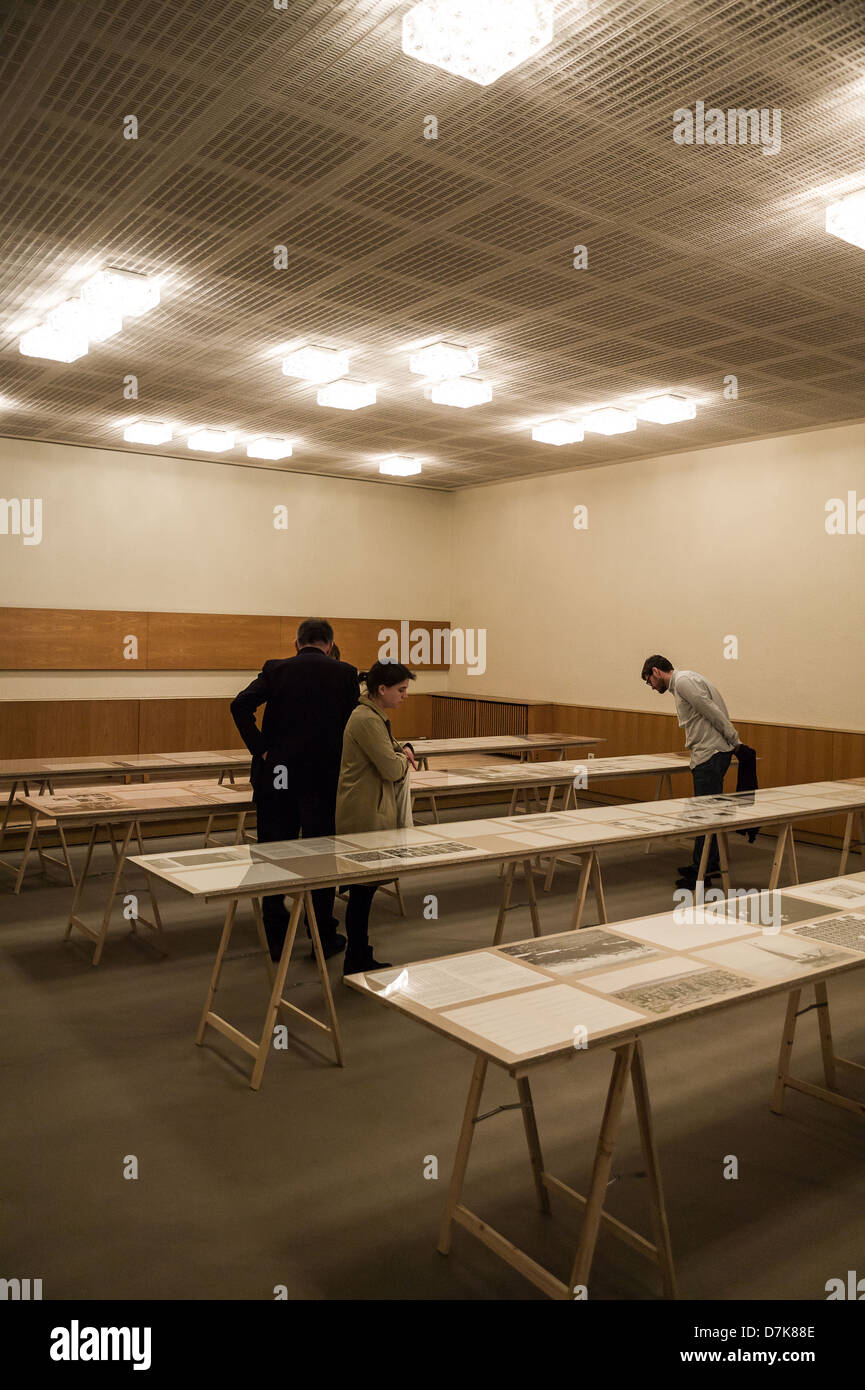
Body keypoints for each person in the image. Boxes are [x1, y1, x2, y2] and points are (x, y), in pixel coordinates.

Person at [231, 618, 359, 961]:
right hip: (323, 779)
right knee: (321, 857)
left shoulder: (276, 669)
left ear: (297, 642)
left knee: (274, 853)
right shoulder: (346, 673)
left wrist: (261, 748)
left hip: (278, 776)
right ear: (329, 645)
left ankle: (276, 936)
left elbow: (239, 705)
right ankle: (322, 935)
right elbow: (353, 725)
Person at [336, 661, 416, 975]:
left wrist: (401, 751)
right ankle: (356, 956)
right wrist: (402, 758)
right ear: (381, 689)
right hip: (364, 812)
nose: (405, 696)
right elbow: (393, 768)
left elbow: (393, 752)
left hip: (370, 807)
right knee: (362, 889)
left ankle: (359, 953)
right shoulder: (367, 720)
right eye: (401, 690)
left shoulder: (372, 716)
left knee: (364, 889)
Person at [641, 655, 741, 888]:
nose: (651, 686)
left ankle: (701, 873)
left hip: (710, 754)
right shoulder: (687, 680)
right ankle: (709, 863)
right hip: (711, 753)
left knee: (704, 814)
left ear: (656, 671)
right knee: (708, 811)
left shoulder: (684, 682)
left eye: (649, 681)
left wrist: (735, 740)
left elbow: (712, 712)